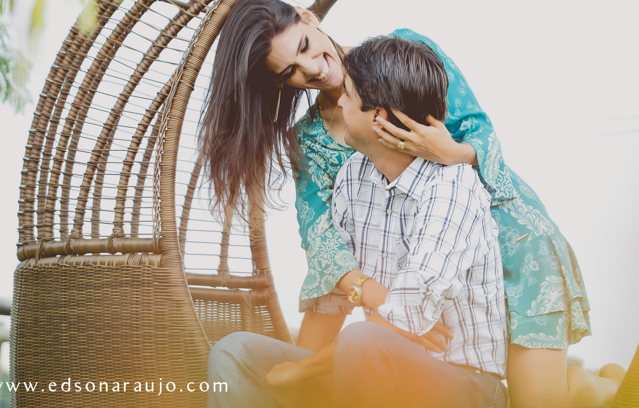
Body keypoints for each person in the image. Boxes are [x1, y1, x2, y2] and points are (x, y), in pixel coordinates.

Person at [199, 0, 626, 407]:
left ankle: (599, 388)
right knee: (307, 368)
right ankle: (581, 382)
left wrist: (452, 153)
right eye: (289, 71)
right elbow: (323, 239)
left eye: (306, 47)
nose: (312, 69)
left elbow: (479, 130)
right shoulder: (313, 141)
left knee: (539, 401)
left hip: (508, 244)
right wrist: (381, 311)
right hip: (418, 271)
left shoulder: (401, 57)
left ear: (306, 16)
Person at [208, 35, 508, 408]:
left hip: (465, 383)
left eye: (347, 94)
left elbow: (405, 315)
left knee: (362, 340)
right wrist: (299, 364)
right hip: (374, 364)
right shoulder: (352, 175)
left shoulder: (454, 186)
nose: (338, 104)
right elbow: (336, 293)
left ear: (378, 118)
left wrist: (301, 372)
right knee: (235, 352)